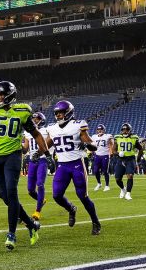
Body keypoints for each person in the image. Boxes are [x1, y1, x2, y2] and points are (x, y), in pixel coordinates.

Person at [0, 81, 46, 250]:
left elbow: (36, 133)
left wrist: (47, 154)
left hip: (13, 156)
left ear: (10, 95)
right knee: (2, 193)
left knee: (11, 192)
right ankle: (31, 225)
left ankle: (11, 234)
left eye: (1, 95)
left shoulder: (22, 111)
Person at [43, 100, 102, 235]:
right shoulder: (52, 128)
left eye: (61, 113)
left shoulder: (78, 125)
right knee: (57, 195)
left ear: (68, 112)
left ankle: (95, 222)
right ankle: (71, 209)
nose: (58, 115)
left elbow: (92, 144)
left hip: (77, 164)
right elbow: (47, 144)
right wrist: (39, 153)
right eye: (56, 113)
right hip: (62, 166)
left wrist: (87, 145)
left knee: (83, 196)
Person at [24, 111, 49, 222]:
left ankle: (37, 211)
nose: (34, 120)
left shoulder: (46, 131)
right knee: (30, 190)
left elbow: (49, 144)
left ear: (42, 120)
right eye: (33, 119)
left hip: (42, 159)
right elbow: (25, 149)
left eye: (37, 119)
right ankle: (41, 200)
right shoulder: (28, 132)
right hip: (31, 160)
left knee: (40, 184)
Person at [112, 123, 143, 200]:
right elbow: (113, 150)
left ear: (130, 130)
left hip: (130, 159)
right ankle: (123, 188)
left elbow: (140, 149)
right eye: (123, 129)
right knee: (117, 179)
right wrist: (118, 153)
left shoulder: (134, 138)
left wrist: (138, 159)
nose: (125, 131)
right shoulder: (117, 137)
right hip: (120, 159)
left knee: (130, 175)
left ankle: (128, 194)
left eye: (127, 129)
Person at [90, 124, 113, 191]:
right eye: (98, 129)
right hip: (97, 155)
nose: (100, 131)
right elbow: (92, 146)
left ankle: (107, 185)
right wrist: (92, 152)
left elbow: (111, 143)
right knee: (96, 171)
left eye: (101, 129)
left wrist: (111, 152)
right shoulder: (94, 136)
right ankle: (99, 183)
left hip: (105, 155)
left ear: (104, 130)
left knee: (105, 171)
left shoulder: (108, 136)